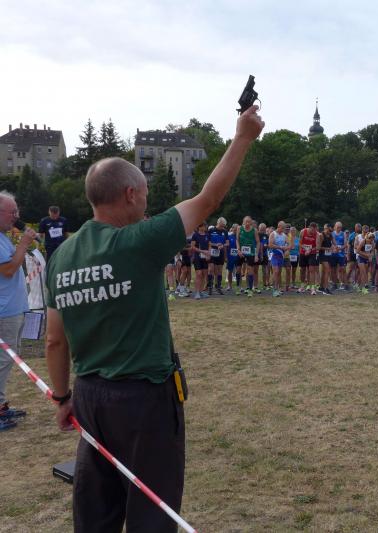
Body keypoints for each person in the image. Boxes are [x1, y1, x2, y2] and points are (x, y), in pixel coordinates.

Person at [43, 105, 264, 531]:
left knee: (96, 511)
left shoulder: (62, 256)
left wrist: (62, 397)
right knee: (151, 513)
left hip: (89, 396)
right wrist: (242, 138)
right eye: (144, 194)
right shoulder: (139, 241)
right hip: (143, 399)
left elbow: (55, 340)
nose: (147, 202)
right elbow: (208, 199)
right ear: (130, 194)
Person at [0, 192, 37, 430]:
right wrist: (23, 243)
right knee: (2, 360)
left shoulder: (3, 237)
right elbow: (8, 270)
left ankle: (1, 404)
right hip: (4, 312)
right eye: (11, 212)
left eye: (17, 211)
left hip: (12, 309)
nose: (16, 216)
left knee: (6, 361)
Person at [298, 223, 320, 295]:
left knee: (311, 270)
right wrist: (305, 249)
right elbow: (300, 243)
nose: (313, 232)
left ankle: (312, 288)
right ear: (309, 228)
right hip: (303, 252)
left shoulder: (317, 234)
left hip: (312, 253)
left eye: (315, 230)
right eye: (312, 230)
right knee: (302, 269)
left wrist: (310, 250)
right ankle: (302, 286)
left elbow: (318, 247)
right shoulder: (303, 231)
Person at [190, 223, 210, 299]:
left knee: (204, 274)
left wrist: (208, 254)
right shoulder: (195, 235)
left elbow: (209, 245)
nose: (205, 227)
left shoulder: (207, 235)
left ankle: (201, 292)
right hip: (197, 257)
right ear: (199, 227)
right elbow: (192, 247)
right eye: (204, 226)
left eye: (205, 226)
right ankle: (197, 292)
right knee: (199, 274)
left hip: (205, 257)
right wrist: (202, 251)